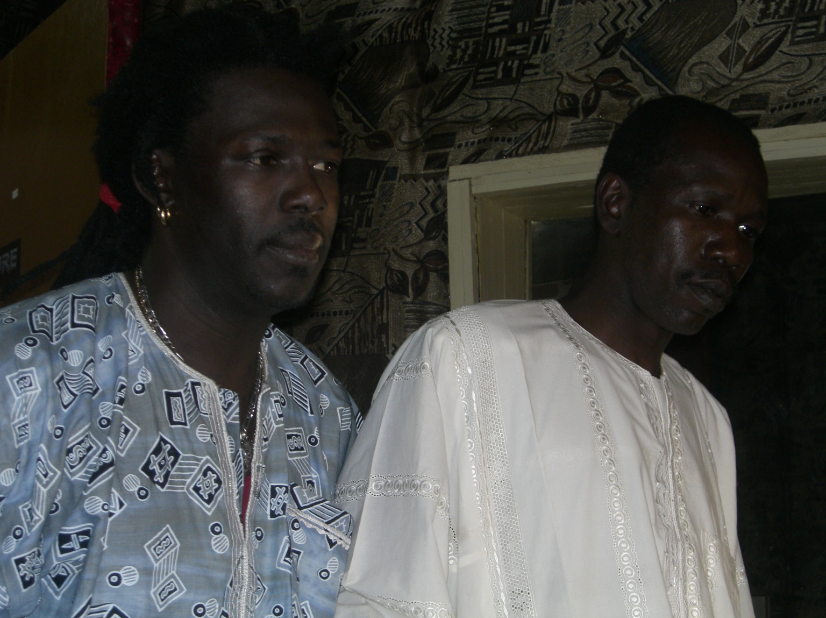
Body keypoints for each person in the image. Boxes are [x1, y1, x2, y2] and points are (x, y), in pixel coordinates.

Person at [334, 96, 767, 618]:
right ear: (616, 203)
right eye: (705, 210)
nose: (732, 251)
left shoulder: (707, 418)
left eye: (748, 231)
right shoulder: (467, 358)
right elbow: (379, 597)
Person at [0, 7, 360, 618]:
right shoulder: (30, 373)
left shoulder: (329, 415)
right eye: (265, 157)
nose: (312, 195)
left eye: (326, 165)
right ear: (162, 178)